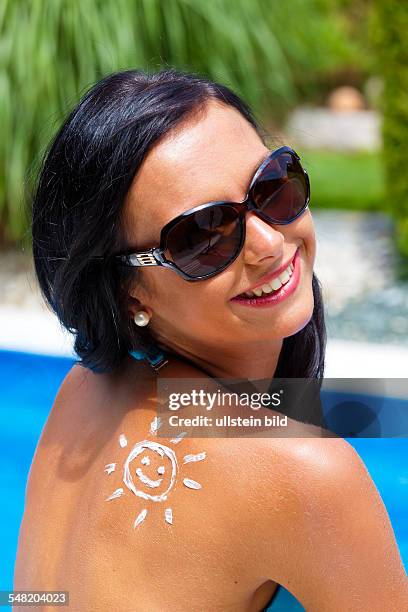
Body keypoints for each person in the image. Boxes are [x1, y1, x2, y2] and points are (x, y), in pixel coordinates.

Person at [14, 68, 407, 611]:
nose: (268, 243)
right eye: (203, 236)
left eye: (271, 187)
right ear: (130, 294)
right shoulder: (308, 476)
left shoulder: (82, 393)